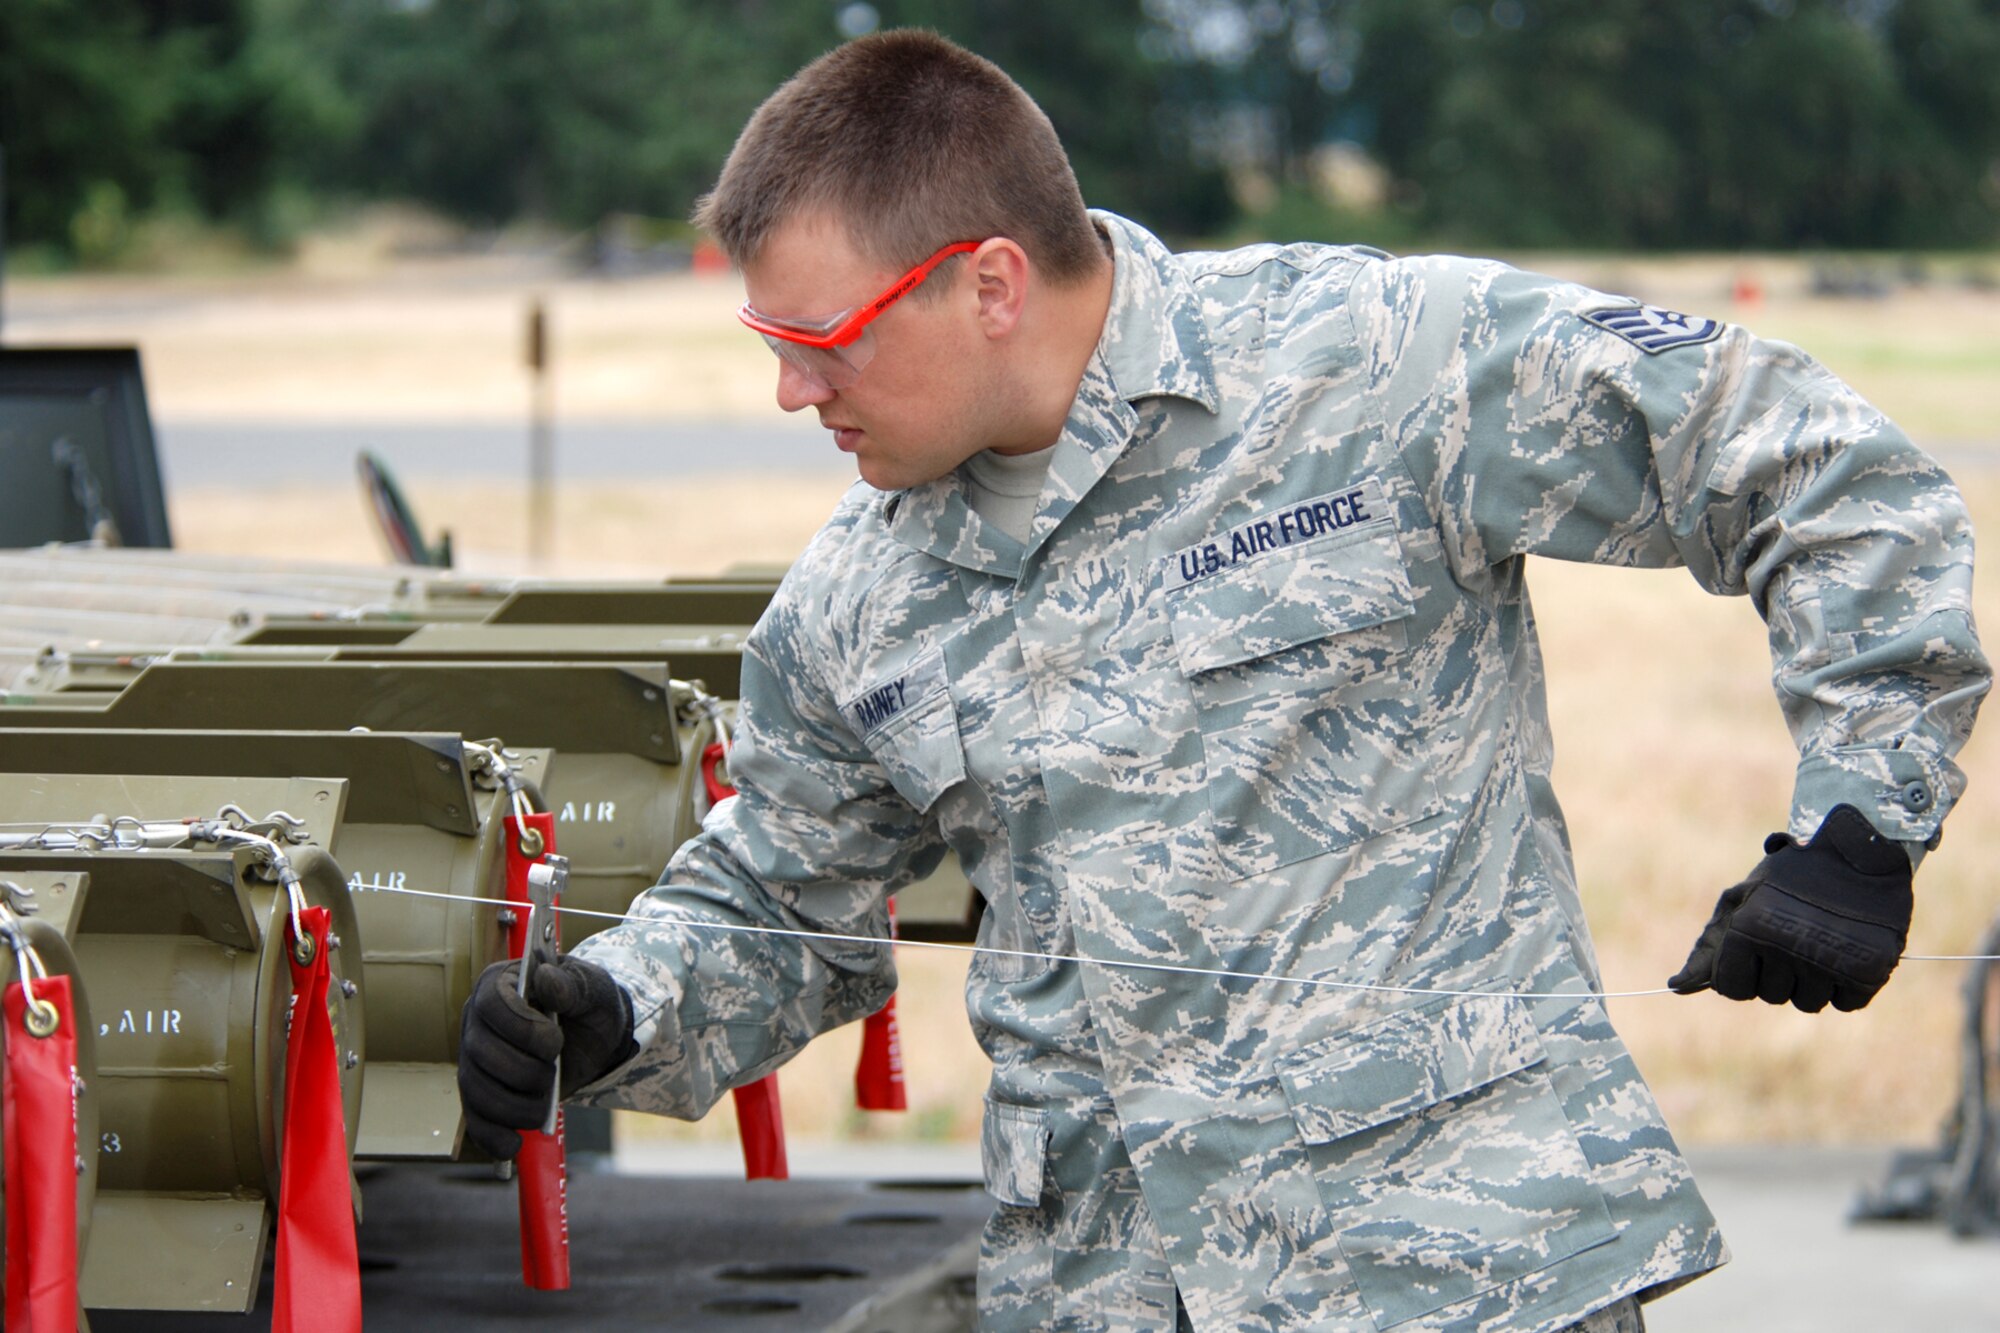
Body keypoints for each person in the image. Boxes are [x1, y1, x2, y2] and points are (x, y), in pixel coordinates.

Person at [457, 29, 1989, 1333]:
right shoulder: (853, 602)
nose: (791, 389)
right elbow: (781, 888)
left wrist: (1863, 820)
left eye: (821, 340)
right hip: (1102, 1290)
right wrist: (621, 1006)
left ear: (988, 282)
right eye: (766, 340)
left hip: (1459, 1274)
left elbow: (1819, 468)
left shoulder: (1376, 365)